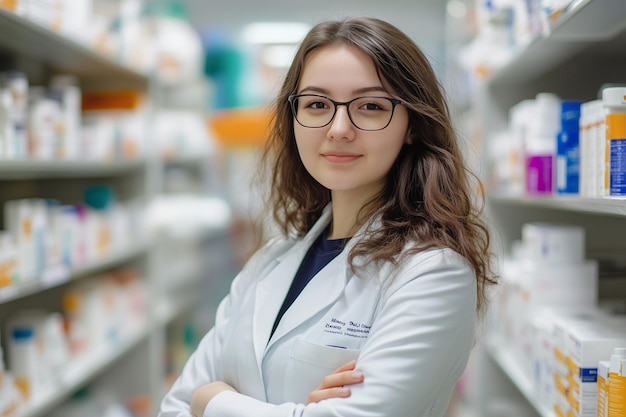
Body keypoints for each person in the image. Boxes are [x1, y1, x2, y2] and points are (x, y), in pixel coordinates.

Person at [158, 16, 496, 417]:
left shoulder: (433, 273)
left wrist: (211, 400)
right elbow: (175, 406)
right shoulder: (271, 260)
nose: (338, 128)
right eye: (317, 104)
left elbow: (195, 398)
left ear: (412, 125)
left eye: (370, 106)